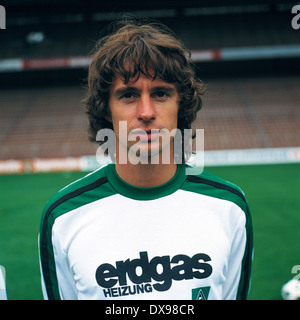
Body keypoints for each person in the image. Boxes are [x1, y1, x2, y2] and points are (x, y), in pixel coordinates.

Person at [39, 19, 253, 300]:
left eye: (161, 93)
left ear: (181, 105)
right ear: (107, 110)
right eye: (128, 95)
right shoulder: (62, 217)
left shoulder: (229, 208)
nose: (147, 112)